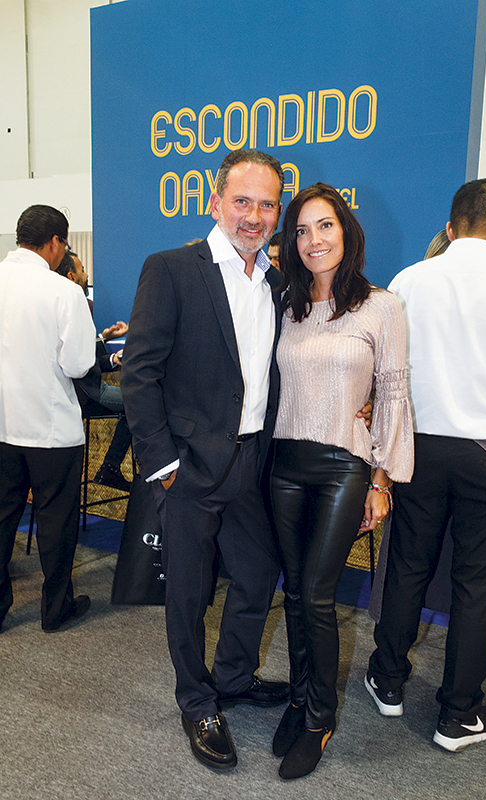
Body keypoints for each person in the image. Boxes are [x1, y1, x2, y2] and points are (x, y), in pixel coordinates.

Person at [121, 149, 290, 772]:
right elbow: (140, 372)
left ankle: (234, 677)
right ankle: (197, 701)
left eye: (267, 204)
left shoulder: (276, 283)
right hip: (189, 467)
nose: (254, 216)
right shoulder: (171, 268)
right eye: (242, 201)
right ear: (216, 202)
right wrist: (162, 466)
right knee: (189, 594)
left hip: (251, 463)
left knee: (257, 574)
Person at [366, 178, 486, 752]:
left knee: (407, 565)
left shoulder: (410, 280)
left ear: (450, 226)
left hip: (419, 451)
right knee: (476, 584)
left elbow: (385, 372)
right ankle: (458, 714)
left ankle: (387, 681)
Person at [269, 183, 414, 779]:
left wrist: (381, 480)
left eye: (324, 225)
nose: (313, 240)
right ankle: (299, 696)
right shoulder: (286, 304)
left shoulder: (381, 306)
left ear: (346, 231)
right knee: (294, 593)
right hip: (283, 465)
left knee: (317, 594)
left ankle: (319, 718)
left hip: (342, 467)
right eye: (301, 230)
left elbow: (394, 395)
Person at [0, 205, 95, 632]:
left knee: (2, 519)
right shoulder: (63, 292)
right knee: (56, 522)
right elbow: (78, 364)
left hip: (3, 426)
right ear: (56, 242)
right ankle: (55, 609)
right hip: (50, 428)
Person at [56, 251, 132, 491]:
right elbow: (79, 362)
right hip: (87, 392)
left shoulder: (71, 305)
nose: (87, 275)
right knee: (139, 403)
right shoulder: (74, 306)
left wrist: (106, 344)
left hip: (88, 388)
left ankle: (110, 468)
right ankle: (110, 468)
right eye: (82, 270)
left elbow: (83, 353)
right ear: (71, 276)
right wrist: (108, 354)